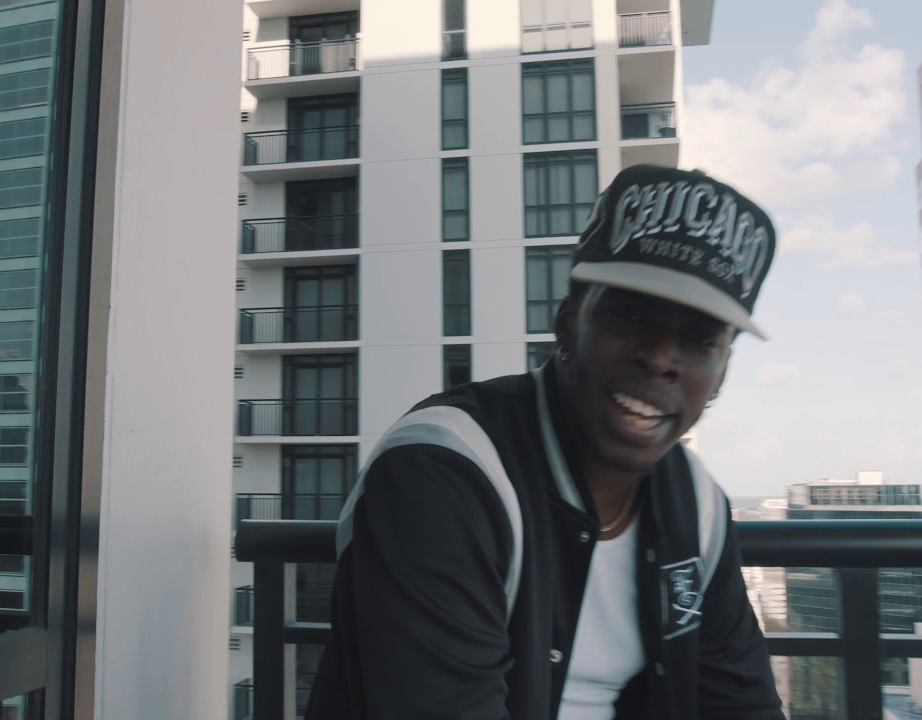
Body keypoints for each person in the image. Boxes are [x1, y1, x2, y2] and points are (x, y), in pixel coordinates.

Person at [305, 164, 786, 720]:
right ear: (569, 321)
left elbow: (741, 703)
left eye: (699, 338)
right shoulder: (441, 470)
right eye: (631, 315)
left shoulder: (698, 505)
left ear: (721, 373)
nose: (659, 358)